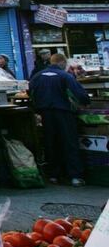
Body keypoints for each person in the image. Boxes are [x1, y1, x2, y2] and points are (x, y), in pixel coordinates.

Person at [29, 52, 90, 186]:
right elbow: (80, 94)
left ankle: (53, 175)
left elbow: (30, 93)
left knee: (50, 143)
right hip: (63, 113)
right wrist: (86, 101)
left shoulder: (37, 76)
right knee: (69, 143)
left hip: (44, 114)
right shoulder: (65, 76)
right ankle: (75, 176)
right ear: (62, 63)